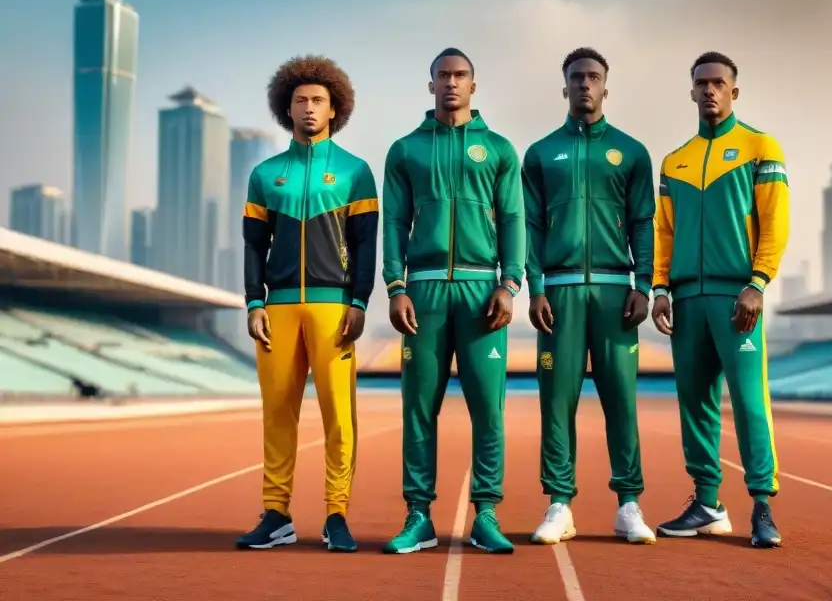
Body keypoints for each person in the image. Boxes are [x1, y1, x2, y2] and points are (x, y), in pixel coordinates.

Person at [380, 47, 526, 555]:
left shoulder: (501, 150)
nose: (451, 83)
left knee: (489, 409)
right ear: (430, 85)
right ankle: (418, 516)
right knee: (419, 409)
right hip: (421, 290)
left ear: (473, 85)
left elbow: (512, 220)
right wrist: (395, 286)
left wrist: (511, 285)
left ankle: (486, 513)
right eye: (442, 75)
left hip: (481, 291)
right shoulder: (405, 150)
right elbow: (395, 223)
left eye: (460, 75)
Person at [235, 55, 378, 553]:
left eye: (318, 100)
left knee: (340, 415)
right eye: (300, 100)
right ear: (286, 109)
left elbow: (365, 244)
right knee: (277, 414)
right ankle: (276, 514)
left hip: (332, 307)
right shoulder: (265, 174)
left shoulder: (355, 172)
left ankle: (336, 514)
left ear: (335, 108)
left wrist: (359, 300)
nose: (310, 108)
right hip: (277, 310)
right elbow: (254, 244)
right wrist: (255, 302)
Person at [651, 51, 789, 548]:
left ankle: (762, 507)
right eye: (701, 84)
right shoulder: (674, 161)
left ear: (734, 91)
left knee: (750, 403)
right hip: (686, 300)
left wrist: (758, 282)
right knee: (696, 404)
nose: (709, 90)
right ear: (691, 92)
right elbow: (662, 233)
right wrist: (660, 288)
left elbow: (775, 222)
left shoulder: (760, 147)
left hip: (737, 297)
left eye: (718, 83)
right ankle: (707, 504)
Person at [521, 47, 657, 545]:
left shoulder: (631, 151)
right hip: (557, 293)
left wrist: (644, 284)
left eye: (593, 77)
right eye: (576, 77)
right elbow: (529, 225)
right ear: (565, 87)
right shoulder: (540, 153)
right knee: (557, 402)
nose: (584, 84)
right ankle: (559, 503)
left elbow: (644, 223)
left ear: (606, 87)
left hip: (614, 292)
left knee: (621, 400)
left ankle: (629, 504)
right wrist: (535, 286)